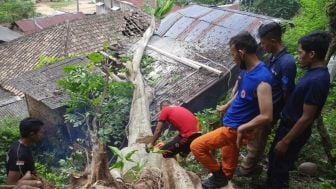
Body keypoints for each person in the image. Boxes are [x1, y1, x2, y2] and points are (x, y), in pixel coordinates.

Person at [191, 31, 273, 188]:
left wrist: (243, 127)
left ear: (242, 52)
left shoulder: (262, 79)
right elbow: (241, 94)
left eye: (233, 53)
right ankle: (226, 176)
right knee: (229, 152)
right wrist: (227, 105)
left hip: (236, 128)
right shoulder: (245, 69)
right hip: (232, 122)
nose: (232, 57)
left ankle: (218, 175)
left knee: (197, 146)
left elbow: (267, 115)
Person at [257, 32, 331, 189]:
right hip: (287, 126)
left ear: (312, 54)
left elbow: (307, 117)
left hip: (293, 131)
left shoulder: (317, 81)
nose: (298, 56)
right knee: (275, 159)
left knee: (281, 166)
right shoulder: (313, 73)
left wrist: (286, 141)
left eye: (300, 52)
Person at [236, 22, 297, 176]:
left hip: (270, 109)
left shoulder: (287, 63)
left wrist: (277, 113)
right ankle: (249, 165)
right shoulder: (273, 57)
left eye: (263, 43)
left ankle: (247, 169)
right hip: (259, 106)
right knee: (253, 138)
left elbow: (287, 93)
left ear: (273, 41)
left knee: (257, 140)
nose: (262, 47)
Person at [6, 117, 44, 185]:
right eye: (40, 132)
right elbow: (10, 183)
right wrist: (37, 183)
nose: (42, 134)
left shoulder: (24, 145)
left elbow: (29, 169)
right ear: (32, 134)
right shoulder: (19, 156)